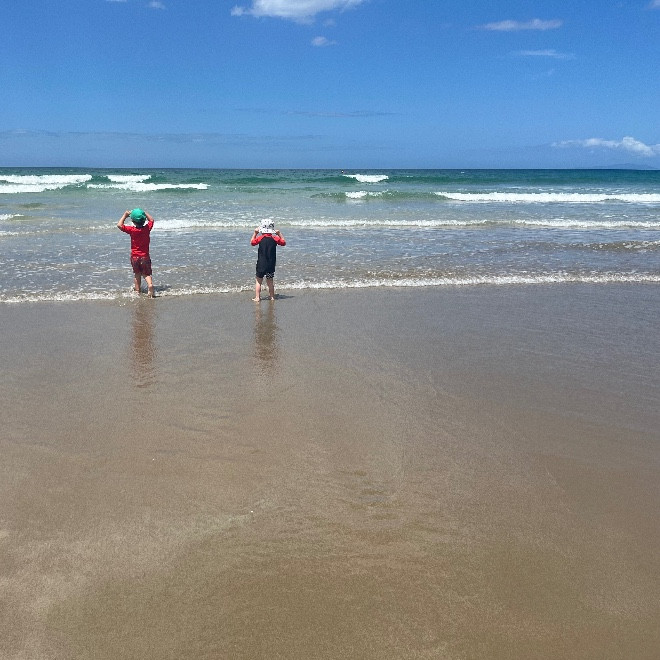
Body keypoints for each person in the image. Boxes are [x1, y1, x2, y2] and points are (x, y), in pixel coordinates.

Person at [117, 208, 155, 298]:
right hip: (145, 256)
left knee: (137, 274)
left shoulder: (132, 230)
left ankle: (137, 291)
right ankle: (150, 285)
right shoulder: (147, 228)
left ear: (133, 221)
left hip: (135, 257)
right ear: (144, 220)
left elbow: (119, 225)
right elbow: (152, 220)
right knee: (146, 274)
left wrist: (125, 215)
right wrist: (144, 212)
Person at [250, 219, 286, 301]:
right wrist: (279, 233)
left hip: (261, 264)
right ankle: (272, 297)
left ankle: (257, 297)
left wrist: (255, 233)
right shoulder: (275, 238)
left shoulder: (260, 238)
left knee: (258, 281)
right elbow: (283, 243)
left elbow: (252, 243)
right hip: (271, 264)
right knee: (270, 281)